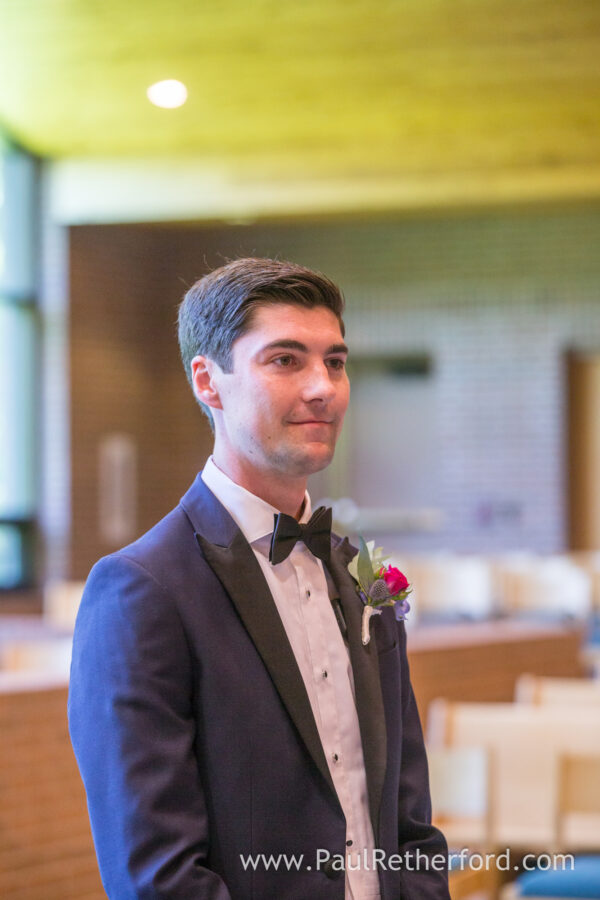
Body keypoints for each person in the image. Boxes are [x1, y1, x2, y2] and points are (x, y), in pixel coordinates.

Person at [68, 258, 450, 900]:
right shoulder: (142, 589)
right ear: (207, 382)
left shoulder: (365, 577)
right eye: (285, 360)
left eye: (334, 360)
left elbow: (408, 820)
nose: (323, 386)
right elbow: (156, 877)